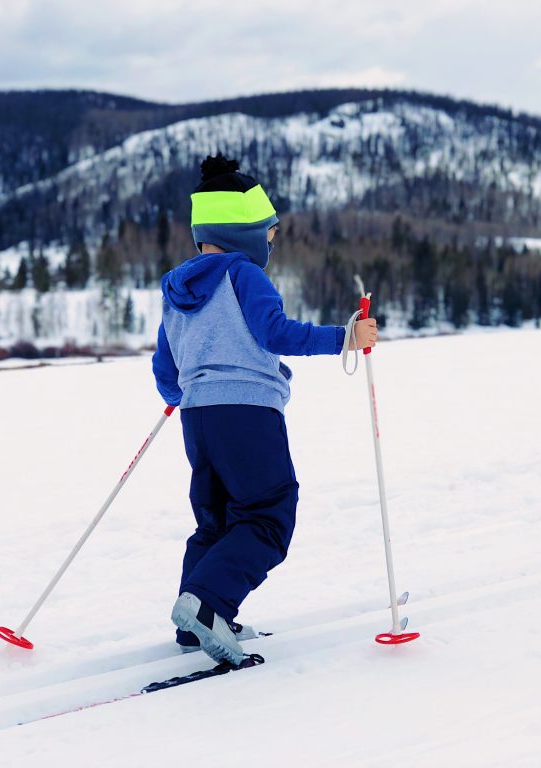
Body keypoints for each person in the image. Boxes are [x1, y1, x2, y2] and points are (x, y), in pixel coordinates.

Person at [151, 153, 377, 665]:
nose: (271, 244)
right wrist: (344, 338)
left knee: (217, 519)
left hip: (197, 419)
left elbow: (166, 365)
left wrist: (176, 396)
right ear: (246, 231)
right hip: (248, 413)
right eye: (270, 234)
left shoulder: (176, 287)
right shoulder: (243, 274)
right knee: (268, 514)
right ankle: (208, 605)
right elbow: (275, 333)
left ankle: (200, 621)